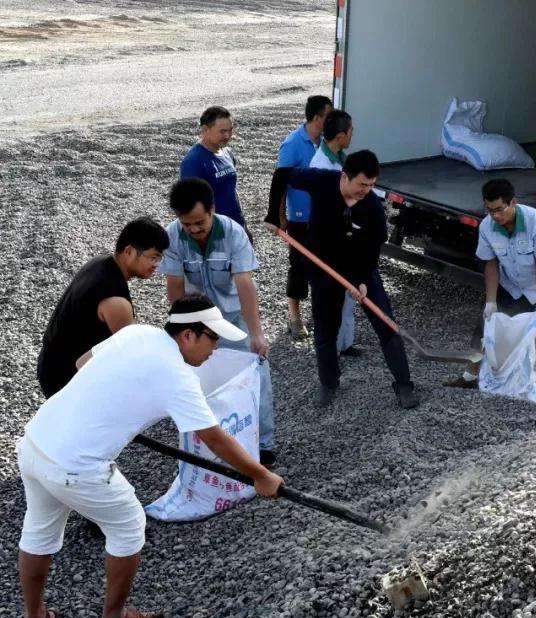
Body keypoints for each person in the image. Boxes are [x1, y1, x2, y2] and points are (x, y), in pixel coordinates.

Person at [17, 294, 284, 618]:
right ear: (188, 335)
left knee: (39, 529)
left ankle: (34, 617)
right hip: (76, 466)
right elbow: (215, 440)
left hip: (36, 441)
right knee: (129, 527)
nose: (215, 348)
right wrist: (261, 476)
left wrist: (119, 406)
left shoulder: (137, 333)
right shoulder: (177, 375)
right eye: (212, 338)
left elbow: (84, 363)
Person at [265, 150, 419, 410]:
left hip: (361, 266)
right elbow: (282, 174)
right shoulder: (322, 180)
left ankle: (404, 385)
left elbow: (372, 249)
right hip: (323, 267)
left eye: (371, 185)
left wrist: (362, 282)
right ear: (344, 176)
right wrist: (273, 215)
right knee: (326, 329)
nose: (366, 190)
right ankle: (329, 382)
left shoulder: (372, 208)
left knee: (386, 324)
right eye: (362, 184)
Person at [160, 178, 276, 466]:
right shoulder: (172, 236)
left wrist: (256, 333)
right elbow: (175, 289)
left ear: (212, 209)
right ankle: (213, 442)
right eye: (187, 224)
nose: (193, 229)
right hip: (198, 320)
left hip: (234, 317)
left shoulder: (234, 233)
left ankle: (263, 443)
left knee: (255, 374)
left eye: (199, 222)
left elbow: (245, 285)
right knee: (200, 381)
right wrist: (180, 334)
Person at [444, 178, 536, 400]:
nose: (495, 216)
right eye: (490, 210)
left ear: (513, 203)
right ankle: (469, 377)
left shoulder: (535, 221)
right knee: (484, 328)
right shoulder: (487, 227)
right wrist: (491, 301)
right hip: (510, 284)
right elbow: (491, 264)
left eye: (499, 209)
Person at [37, 217, 170, 398]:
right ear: (129, 252)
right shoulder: (115, 300)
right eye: (153, 257)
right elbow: (133, 351)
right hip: (66, 379)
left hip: (50, 361)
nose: (157, 265)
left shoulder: (100, 262)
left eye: (160, 258)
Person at [306, 109, 362, 357]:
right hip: (330, 241)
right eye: (350, 132)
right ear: (341, 136)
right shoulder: (321, 165)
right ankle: (330, 349)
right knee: (331, 298)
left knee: (347, 296)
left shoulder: (340, 159)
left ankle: (344, 344)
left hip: (345, 238)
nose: (352, 135)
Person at [276, 95, 333, 338]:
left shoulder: (327, 143)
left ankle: (320, 315)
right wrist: (280, 216)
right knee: (298, 267)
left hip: (324, 218)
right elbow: (280, 182)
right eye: (329, 116)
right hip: (300, 219)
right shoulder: (292, 144)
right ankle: (295, 318)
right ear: (317, 118)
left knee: (324, 266)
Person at [180, 106, 247, 237]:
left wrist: (244, 225)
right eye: (222, 131)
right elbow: (190, 206)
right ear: (205, 129)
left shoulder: (227, 153)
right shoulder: (194, 162)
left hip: (236, 227)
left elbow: (232, 190)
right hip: (214, 233)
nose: (227, 136)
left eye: (230, 130)